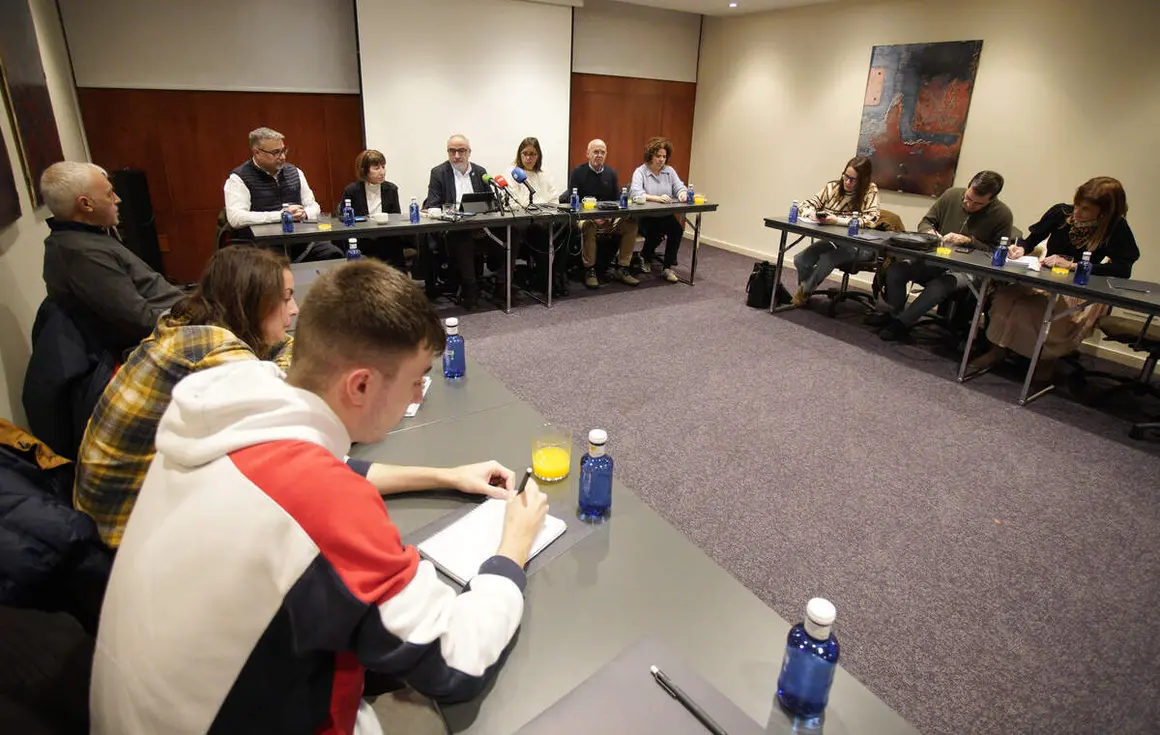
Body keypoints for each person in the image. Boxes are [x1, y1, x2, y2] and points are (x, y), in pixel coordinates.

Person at [90, 260, 550, 733]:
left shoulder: (241, 402)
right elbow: (458, 662)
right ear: (362, 384)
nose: (417, 393)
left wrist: (446, 475)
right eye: (416, 380)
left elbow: (326, 467)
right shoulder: (323, 504)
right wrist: (512, 549)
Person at [971, 177, 1138, 380]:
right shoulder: (1061, 213)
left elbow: (1123, 268)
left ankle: (1044, 360)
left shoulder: (1115, 228)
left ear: (1104, 211)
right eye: (1077, 204)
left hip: (1077, 289)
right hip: (1043, 280)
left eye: (1085, 209)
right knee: (1004, 298)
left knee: (1037, 310)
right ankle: (997, 351)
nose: (1076, 212)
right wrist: (1021, 247)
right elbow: (1031, 239)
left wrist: (1075, 266)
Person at [40, 161, 182, 354]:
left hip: (176, 314)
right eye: (109, 193)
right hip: (164, 337)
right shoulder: (83, 255)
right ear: (85, 204)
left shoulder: (88, 238)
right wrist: (196, 315)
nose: (117, 199)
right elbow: (141, 322)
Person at [867, 170, 1013, 342]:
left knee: (940, 285)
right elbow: (926, 221)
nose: (969, 205)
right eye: (968, 198)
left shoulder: (1002, 215)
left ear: (992, 199)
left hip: (968, 270)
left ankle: (901, 324)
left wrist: (969, 241)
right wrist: (930, 233)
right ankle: (895, 314)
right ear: (968, 187)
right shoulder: (951, 195)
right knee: (896, 271)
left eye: (978, 204)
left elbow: (997, 252)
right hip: (936, 259)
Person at [224, 127, 339, 261]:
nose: (282, 157)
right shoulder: (239, 178)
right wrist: (282, 216)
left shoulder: (295, 172)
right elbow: (236, 218)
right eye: (275, 153)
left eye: (284, 150)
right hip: (261, 248)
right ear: (256, 152)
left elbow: (314, 206)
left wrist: (305, 213)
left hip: (301, 244)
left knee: (334, 255)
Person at [791, 157, 880, 306]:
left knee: (827, 259)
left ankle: (804, 293)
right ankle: (806, 288)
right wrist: (811, 213)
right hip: (835, 240)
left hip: (861, 246)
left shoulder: (870, 191)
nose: (847, 182)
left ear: (863, 180)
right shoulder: (832, 187)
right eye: (845, 176)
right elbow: (806, 204)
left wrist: (837, 221)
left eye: (853, 180)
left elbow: (871, 220)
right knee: (801, 259)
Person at [422, 134, 494, 308]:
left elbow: (490, 203)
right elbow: (433, 205)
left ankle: (503, 285)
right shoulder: (439, 173)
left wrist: (481, 223)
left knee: (511, 234)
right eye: (452, 151)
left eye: (461, 151)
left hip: (482, 227)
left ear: (469, 152)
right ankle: (470, 289)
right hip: (454, 229)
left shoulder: (480, 172)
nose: (456, 156)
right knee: (463, 238)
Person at [564, 139, 639, 289]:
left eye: (602, 152)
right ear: (588, 154)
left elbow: (617, 201)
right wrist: (593, 216)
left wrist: (611, 217)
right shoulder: (578, 173)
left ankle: (623, 267)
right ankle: (589, 269)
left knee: (630, 224)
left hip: (608, 217)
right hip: (585, 218)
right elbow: (573, 202)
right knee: (589, 225)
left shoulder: (611, 173)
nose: (599, 155)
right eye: (596, 152)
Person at [508, 137, 564, 295]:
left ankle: (558, 276)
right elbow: (514, 203)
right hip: (525, 223)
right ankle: (545, 281)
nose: (528, 158)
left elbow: (554, 199)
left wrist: (545, 214)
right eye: (524, 153)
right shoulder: (513, 174)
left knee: (569, 229)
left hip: (546, 219)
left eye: (532, 154)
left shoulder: (544, 175)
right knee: (540, 234)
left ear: (538, 156)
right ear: (519, 155)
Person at [629, 136, 689, 283]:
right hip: (645, 216)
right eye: (658, 156)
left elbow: (680, 187)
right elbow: (636, 193)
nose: (661, 159)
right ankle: (645, 256)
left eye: (664, 156)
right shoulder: (640, 172)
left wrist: (682, 193)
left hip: (664, 214)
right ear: (650, 156)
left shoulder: (669, 171)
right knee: (654, 233)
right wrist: (657, 198)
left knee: (677, 230)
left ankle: (667, 267)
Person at [337, 149, 405, 268]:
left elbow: (396, 217)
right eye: (376, 168)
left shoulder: (391, 189)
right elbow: (342, 216)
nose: (382, 172)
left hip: (386, 238)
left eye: (383, 167)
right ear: (364, 170)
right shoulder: (352, 190)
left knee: (395, 244)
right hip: (362, 239)